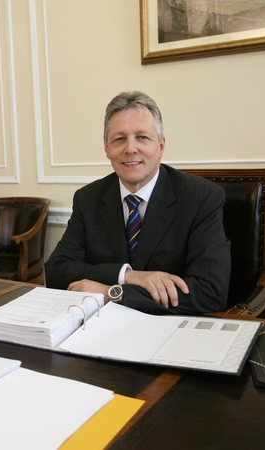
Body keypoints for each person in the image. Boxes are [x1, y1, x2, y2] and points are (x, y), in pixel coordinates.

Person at [44, 91, 230, 315]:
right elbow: (56, 271)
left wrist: (112, 292)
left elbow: (210, 292)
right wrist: (128, 276)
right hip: (101, 330)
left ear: (160, 147)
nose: (130, 148)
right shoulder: (88, 198)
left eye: (142, 137)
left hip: (170, 328)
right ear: (107, 148)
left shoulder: (201, 198)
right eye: (119, 139)